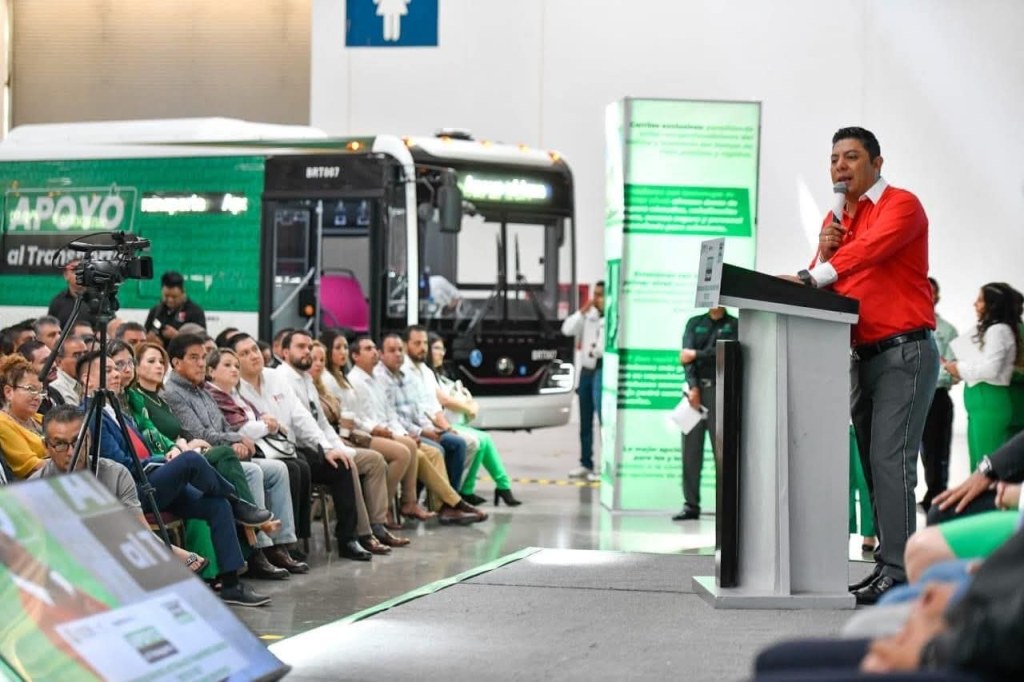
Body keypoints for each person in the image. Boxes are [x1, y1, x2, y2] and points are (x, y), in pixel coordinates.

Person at [792, 126, 938, 604]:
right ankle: (886, 566)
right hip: (862, 356)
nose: (840, 166)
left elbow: (868, 252)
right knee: (875, 465)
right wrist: (824, 250)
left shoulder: (901, 205)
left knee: (890, 461)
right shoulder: (838, 219)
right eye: (834, 158)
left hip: (903, 353)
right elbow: (826, 283)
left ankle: (901, 572)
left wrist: (819, 269)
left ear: (877, 163)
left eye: (851, 157)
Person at [75, 351, 273, 606]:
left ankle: (231, 585)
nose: (116, 374)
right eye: (108, 370)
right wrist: (163, 461)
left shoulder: (116, 410)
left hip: (153, 481)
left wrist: (164, 456)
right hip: (131, 491)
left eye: (116, 368)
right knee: (190, 460)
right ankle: (239, 504)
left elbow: (143, 452)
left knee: (217, 505)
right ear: (88, 380)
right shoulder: (90, 415)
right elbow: (120, 466)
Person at [35, 405, 208, 573]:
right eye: (60, 444)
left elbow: (139, 529)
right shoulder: (34, 487)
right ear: (46, 446)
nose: (71, 452)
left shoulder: (115, 473)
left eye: (77, 442)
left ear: (89, 438)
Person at [428, 333, 522, 506]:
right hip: (439, 424)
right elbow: (445, 400)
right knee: (481, 439)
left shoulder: (440, 375)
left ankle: (490, 487)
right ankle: (476, 489)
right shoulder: (425, 375)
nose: (441, 353)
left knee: (484, 439)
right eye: (436, 348)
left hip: (450, 422)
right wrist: (468, 408)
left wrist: (471, 404)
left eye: (442, 349)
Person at [943, 283, 1022, 470]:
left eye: (980, 300)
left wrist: (958, 368)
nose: (975, 304)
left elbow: (991, 369)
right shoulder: (992, 329)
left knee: (987, 470)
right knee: (979, 466)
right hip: (982, 405)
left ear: (992, 304)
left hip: (990, 403)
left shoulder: (998, 330)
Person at [674, 306, 738, 521]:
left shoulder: (734, 325)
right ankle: (691, 505)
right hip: (695, 394)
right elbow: (686, 358)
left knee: (723, 452)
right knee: (690, 453)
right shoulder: (694, 323)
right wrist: (693, 387)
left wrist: (697, 354)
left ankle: (726, 507)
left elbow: (726, 355)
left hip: (720, 392)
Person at [920, 277, 959, 511]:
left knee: (936, 451)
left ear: (937, 297)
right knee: (919, 451)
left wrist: (940, 373)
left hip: (936, 396)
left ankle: (937, 499)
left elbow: (954, 369)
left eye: (931, 292)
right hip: (913, 396)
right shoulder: (908, 325)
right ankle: (930, 496)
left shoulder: (947, 330)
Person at [561, 281, 604, 481]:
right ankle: (586, 463)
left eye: (601, 295)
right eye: (596, 294)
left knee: (603, 421)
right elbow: (567, 329)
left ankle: (604, 466)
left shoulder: (612, 317)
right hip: (586, 371)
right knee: (585, 420)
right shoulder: (588, 316)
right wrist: (582, 311)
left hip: (602, 369)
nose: (597, 299)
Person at [0, 355, 46, 478]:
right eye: (31, 389)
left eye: (41, 391)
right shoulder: (2, 423)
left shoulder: (39, 418)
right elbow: (32, 466)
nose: (38, 397)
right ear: (9, 392)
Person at [144, 271, 207, 345]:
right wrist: (151, 340)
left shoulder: (195, 312)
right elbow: (146, 332)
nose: (170, 300)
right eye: (166, 296)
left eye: (174, 297)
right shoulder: (156, 311)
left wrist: (177, 336)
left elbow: (201, 341)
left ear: (183, 293)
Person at [46, 260, 96, 328]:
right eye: (75, 270)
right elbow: (50, 328)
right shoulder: (57, 303)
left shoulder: (100, 299)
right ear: (66, 275)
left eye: (84, 271)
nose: (80, 274)